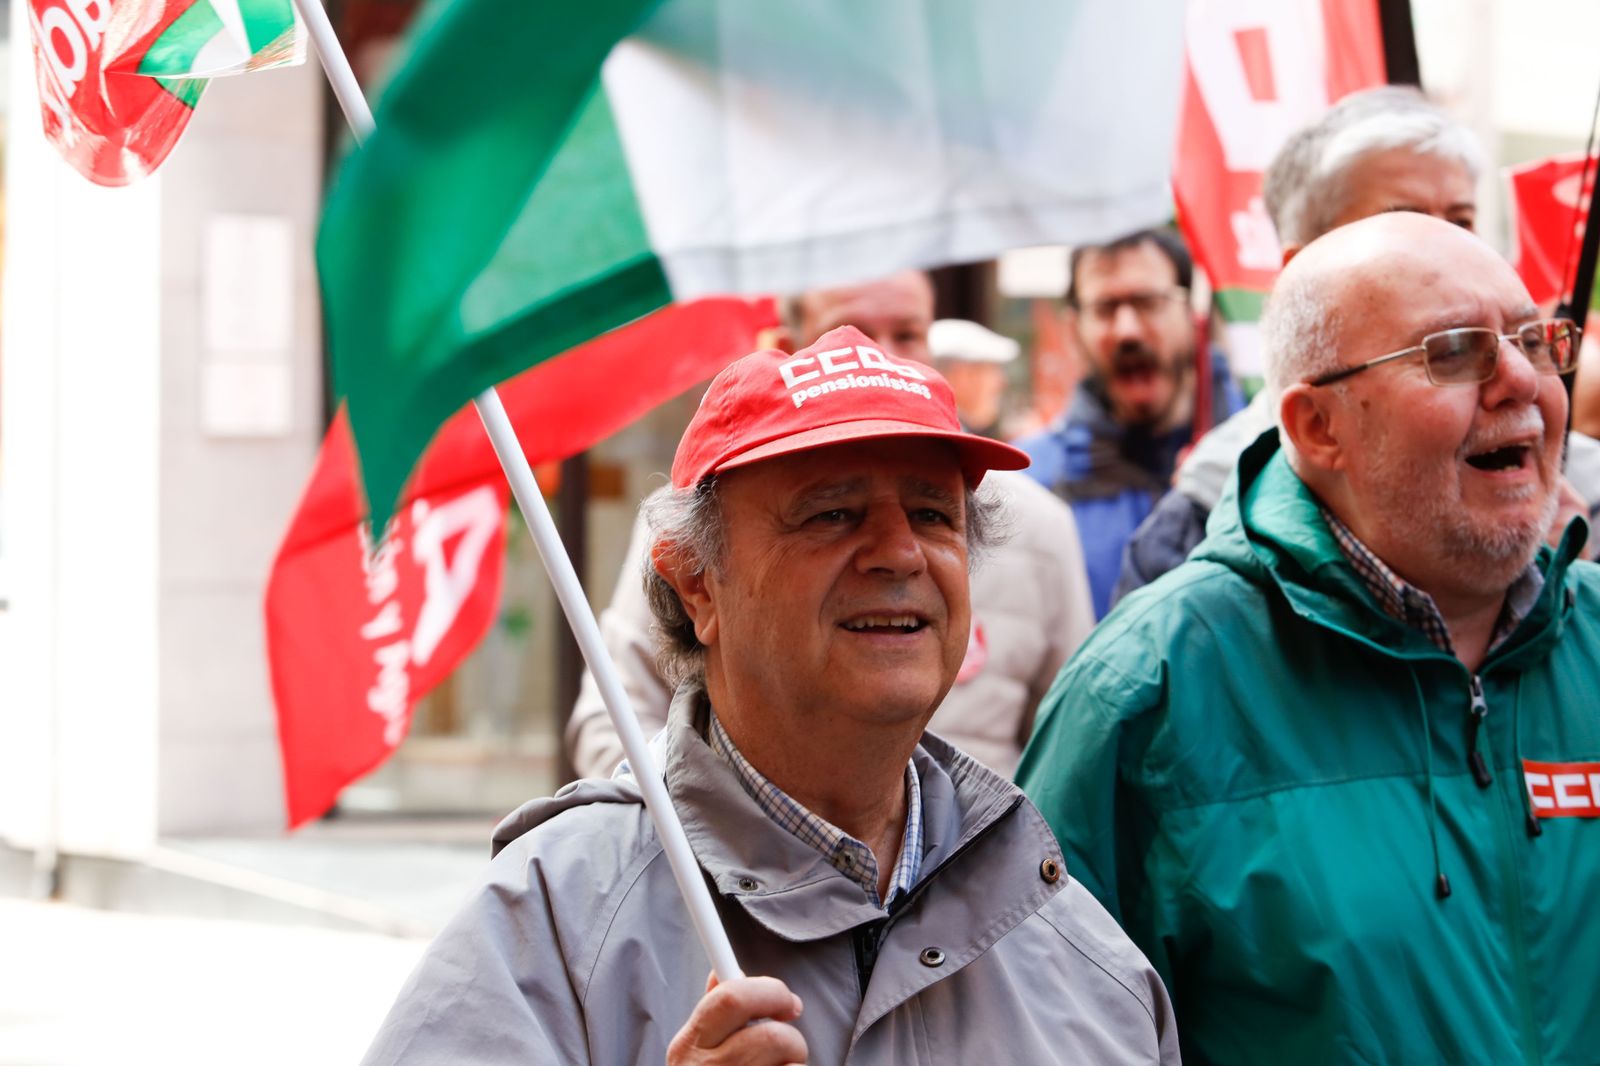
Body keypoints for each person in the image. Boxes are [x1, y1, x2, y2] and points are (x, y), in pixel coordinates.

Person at [363, 326, 1180, 1065]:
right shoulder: (550, 925)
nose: (899, 552)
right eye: (833, 513)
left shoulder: (1085, 961)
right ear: (696, 588)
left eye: (934, 513)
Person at [1017, 213, 1600, 1064]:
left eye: (1533, 341)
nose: (1520, 380)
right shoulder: (1148, 690)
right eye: (1453, 350)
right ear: (1318, 427)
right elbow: (1039, 1030)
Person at [567, 271, 1094, 779]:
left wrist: (998, 856)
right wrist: (692, 848)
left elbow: (1073, 746)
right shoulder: (695, 511)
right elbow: (617, 715)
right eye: (831, 515)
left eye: (931, 516)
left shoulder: (1039, 525)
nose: (877, 356)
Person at [1116, 85, 1600, 604]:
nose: (1448, 250)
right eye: (1401, 221)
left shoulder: (1585, 485)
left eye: (1461, 221)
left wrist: (1571, 594)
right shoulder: (1199, 527)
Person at [1014, 227, 1245, 617]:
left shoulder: (1266, 463)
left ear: (1193, 316)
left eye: (1148, 302)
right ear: (1074, 329)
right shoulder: (1029, 485)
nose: (1127, 331)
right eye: (1105, 308)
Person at [927, 317, 1019, 436]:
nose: (1002, 383)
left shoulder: (940, 435)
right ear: (961, 376)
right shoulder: (944, 441)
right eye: (993, 370)